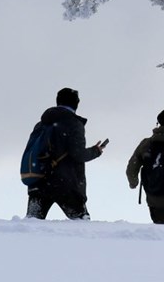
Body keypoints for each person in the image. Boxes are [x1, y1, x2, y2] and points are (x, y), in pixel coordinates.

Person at [26, 87, 108, 220]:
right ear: (76, 103)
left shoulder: (41, 124)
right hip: (65, 184)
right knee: (81, 224)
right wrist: (95, 151)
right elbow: (78, 154)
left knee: (31, 225)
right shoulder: (74, 123)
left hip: (38, 181)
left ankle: (17, 241)